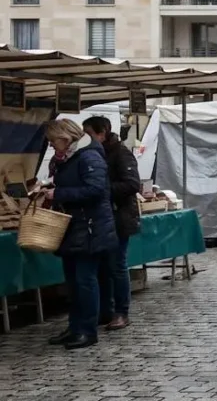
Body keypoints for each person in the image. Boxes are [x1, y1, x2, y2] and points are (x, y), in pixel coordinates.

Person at [35, 119, 116, 350]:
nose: (51, 146)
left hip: (90, 228)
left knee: (85, 280)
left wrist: (59, 193)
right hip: (73, 227)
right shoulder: (66, 159)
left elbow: (96, 190)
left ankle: (87, 330)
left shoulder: (89, 156)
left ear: (65, 137)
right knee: (73, 282)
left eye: (52, 141)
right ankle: (75, 327)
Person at [82, 116, 139, 331]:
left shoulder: (121, 153)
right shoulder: (93, 153)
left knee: (116, 266)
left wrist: (102, 189)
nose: (85, 137)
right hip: (100, 219)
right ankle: (105, 311)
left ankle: (121, 312)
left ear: (102, 132)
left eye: (88, 133)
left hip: (119, 218)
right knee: (102, 268)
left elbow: (132, 184)